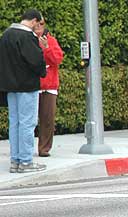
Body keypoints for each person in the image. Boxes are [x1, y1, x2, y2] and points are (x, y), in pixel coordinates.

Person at [0, 9, 47, 173]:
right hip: (27, 86)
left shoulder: (6, 34)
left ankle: (15, 160)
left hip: (10, 87)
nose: (38, 27)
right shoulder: (27, 37)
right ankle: (26, 161)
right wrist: (43, 69)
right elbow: (36, 61)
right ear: (33, 21)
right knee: (27, 124)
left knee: (15, 123)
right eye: (38, 23)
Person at [34, 17, 64, 157]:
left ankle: (44, 148)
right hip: (33, 86)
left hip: (49, 86)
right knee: (29, 120)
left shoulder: (51, 41)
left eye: (42, 24)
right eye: (37, 23)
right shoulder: (29, 40)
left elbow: (57, 59)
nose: (39, 26)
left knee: (47, 119)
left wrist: (47, 47)